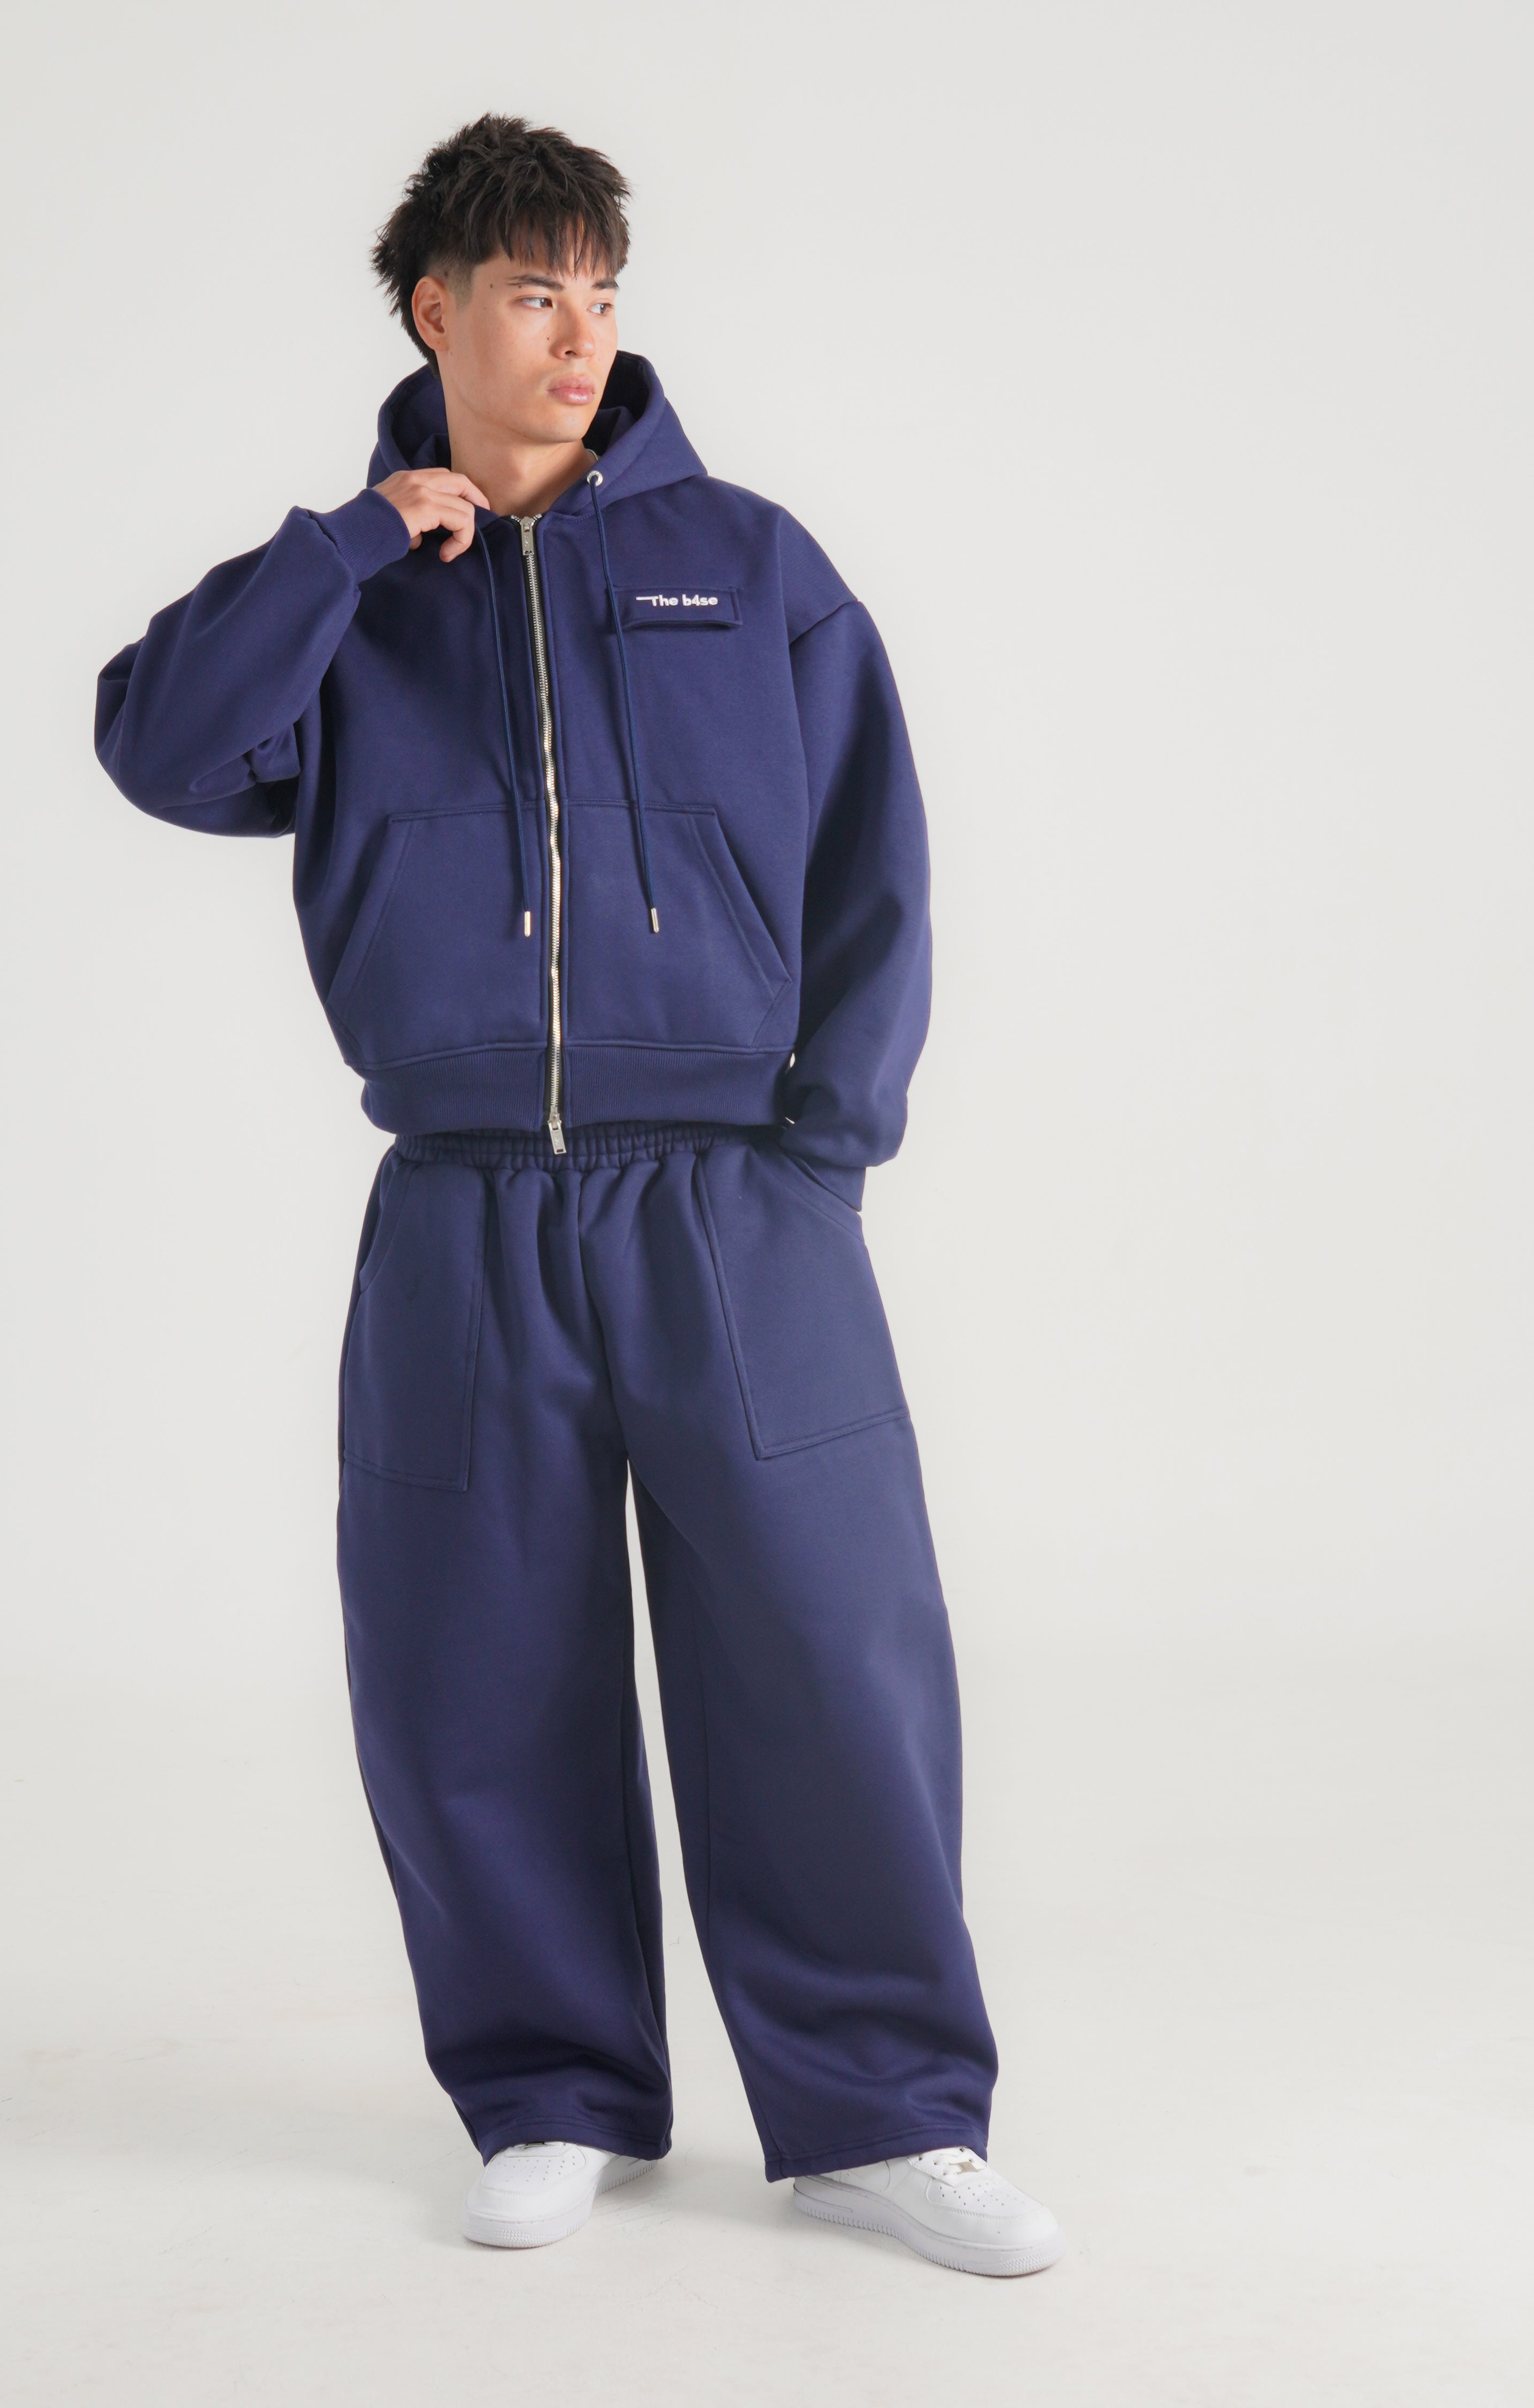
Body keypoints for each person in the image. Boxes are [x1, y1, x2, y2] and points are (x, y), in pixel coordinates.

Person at [94, 113, 1063, 2277]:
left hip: (734, 1201)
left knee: (828, 1650)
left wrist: (823, 1153)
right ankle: (549, 2090)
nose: (577, 334)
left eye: (602, 292)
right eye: (535, 292)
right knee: (473, 1661)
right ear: (433, 309)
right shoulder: (351, 604)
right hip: (463, 1210)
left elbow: (875, 867)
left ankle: (887, 2111)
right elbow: (160, 748)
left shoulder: (749, 561)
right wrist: (347, 546)